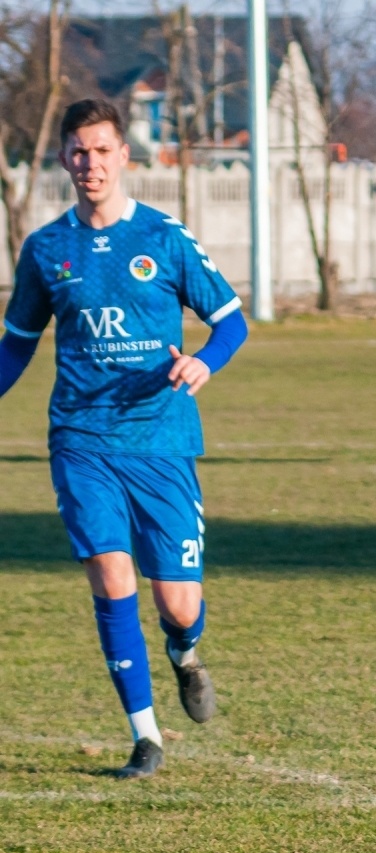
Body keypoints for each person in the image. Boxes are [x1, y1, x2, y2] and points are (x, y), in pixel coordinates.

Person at [0, 99, 247, 778]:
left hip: (161, 438)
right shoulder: (47, 249)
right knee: (111, 577)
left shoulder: (165, 239)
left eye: (102, 150)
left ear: (124, 156)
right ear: (62, 160)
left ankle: (183, 651)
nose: (91, 164)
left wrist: (203, 360)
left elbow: (231, 323)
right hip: (81, 438)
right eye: (79, 152)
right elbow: (17, 346)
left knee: (177, 602)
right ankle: (146, 737)